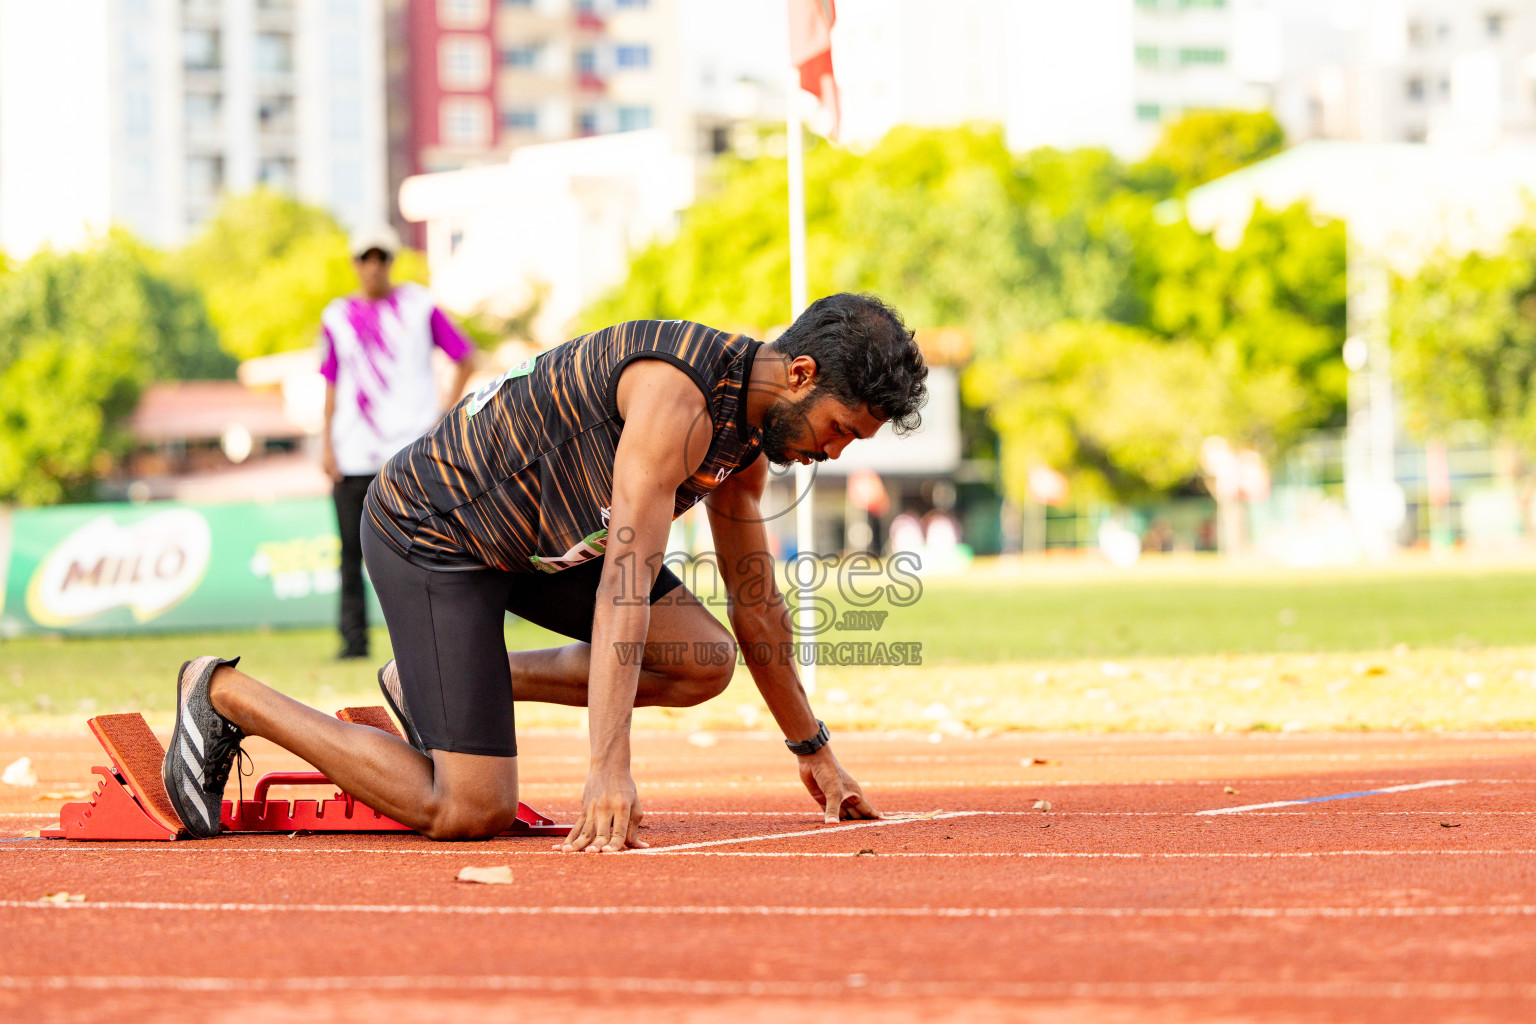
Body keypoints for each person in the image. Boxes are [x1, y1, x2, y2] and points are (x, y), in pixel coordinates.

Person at [162, 293, 928, 852]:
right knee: (469, 808)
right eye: (841, 431)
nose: (836, 453)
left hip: (537, 546)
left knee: (705, 660)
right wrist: (607, 771)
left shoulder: (747, 440)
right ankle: (226, 694)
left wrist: (814, 750)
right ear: (800, 373)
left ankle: (420, 682)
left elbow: (755, 609)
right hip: (437, 530)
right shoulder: (678, 399)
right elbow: (625, 588)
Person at [319, 226, 475, 659]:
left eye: (381, 257)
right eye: (365, 258)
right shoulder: (336, 316)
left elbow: (465, 355)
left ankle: (426, 640)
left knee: (421, 551)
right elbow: (330, 384)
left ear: (392, 261)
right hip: (352, 451)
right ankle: (353, 643)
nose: (373, 266)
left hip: (408, 453)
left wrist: (443, 416)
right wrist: (326, 443)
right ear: (355, 264)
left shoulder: (418, 305)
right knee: (351, 554)